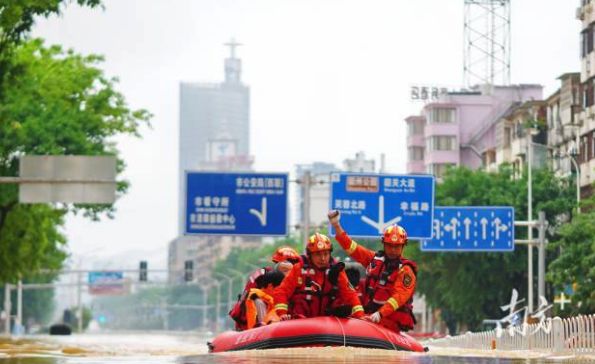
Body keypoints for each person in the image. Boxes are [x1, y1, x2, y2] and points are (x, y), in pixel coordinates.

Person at [328, 210, 418, 332]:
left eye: (396, 246)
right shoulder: (374, 260)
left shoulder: (406, 270)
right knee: (341, 274)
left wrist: (380, 314)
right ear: (384, 244)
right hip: (368, 317)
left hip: (389, 322)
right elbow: (351, 247)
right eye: (389, 245)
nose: (392, 250)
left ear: (403, 246)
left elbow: (399, 297)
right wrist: (336, 225)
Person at [272, 233, 365, 320]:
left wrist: (360, 316)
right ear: (310, 255)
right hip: (301, 322)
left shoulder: (336, 270)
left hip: (329, 323)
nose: (323, 258)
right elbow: (282, 292)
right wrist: (282, 313)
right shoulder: (299, 269)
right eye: (318, 254)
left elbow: (350, 294)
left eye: (326, 254)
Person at [229, 246, 300, 330]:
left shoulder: (297, 279)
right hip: (256, 323)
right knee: (258, 300)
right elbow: (248, 299)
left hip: (280, 321)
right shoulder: (265, 277)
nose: (288, 273)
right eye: (285, 269)